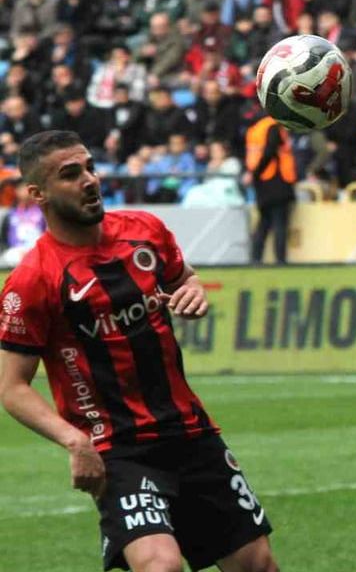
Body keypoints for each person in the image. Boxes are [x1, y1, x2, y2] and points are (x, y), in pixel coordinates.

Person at [0, 131, 277, 572]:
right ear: (38, 194)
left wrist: (193, 293)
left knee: (257, 565)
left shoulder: (144, 231)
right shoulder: (33, 279)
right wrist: (75, 440)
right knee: (159, 566)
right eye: (71, 175)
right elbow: (12, 387)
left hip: (191, 433)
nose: (90, 180)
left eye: (89, 167)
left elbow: (184, 278)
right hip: (118, 448)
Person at [244, 107, 296, 263]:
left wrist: (253, 175)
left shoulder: (253, 130)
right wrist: (255, 174)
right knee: (279, 223)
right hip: (277, 181)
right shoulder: (272, 126)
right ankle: (281, 261)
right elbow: (270, 152)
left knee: (264, 223)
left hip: (262, 183)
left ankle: (256, 259)